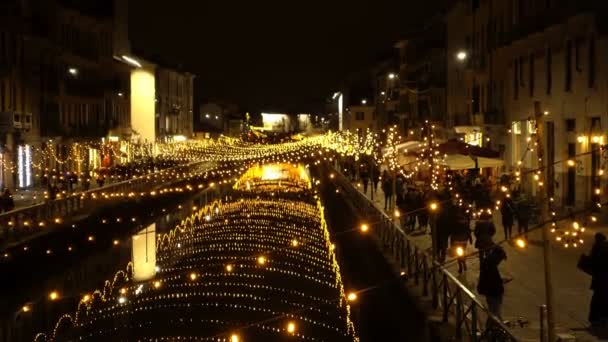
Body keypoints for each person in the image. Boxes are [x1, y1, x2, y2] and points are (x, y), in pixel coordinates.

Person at [581, 233, 608, 327]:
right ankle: (600, 317)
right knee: (602, 298)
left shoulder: (598, 247)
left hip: (599, 278)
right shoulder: (604, 247)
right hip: (603, 278)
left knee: (598, 297)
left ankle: (596, 317)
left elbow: (593, 260)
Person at [477, 243, 507, 322]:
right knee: (494, 313)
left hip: (492, 292)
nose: (499, 262)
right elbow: (492, 280)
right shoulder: (490, 265)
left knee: (495, 313)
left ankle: (493, 328)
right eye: (500, 259)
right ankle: (492, 329)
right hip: (493, 293)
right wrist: (502, 281)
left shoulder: (489, 262)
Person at [451, 206, 473, 274]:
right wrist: (470, 239)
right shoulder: (465, 222)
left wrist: (452, 242)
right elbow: (468, 231)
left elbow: (453, 233)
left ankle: (460, 266)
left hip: (456, 241)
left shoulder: (454, 223)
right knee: (462, 252)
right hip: (464, 241)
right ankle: (464, 263)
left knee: (458, 254)